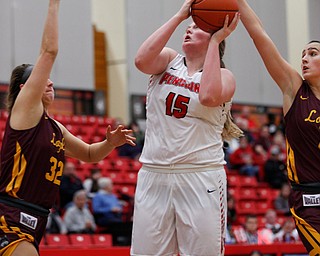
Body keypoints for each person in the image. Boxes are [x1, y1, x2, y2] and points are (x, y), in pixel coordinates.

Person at [0, 1, 136, 255]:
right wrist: (54, 5)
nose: (49, 81)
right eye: (40, 77)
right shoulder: (24, 111)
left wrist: (110, 143)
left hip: (35, 217)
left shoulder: (55, 128)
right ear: (24, 89)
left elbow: (89, 154)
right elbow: (49, 52)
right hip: (9, 214)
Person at [130, 0, 242, 255]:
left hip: (200, 176)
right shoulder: (168, 60)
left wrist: (215, 42)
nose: (189, 30)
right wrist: (180, 16)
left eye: (198, 26)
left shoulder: (225, 77)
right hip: (154, 173)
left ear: (215, 35)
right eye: (188, 26)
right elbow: (140, 60)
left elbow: (209, 97)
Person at [237, 0, 320, 253]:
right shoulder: (294, 88)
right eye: (303, 54)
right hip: (309, 199)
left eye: (313, 53)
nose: (304, 58)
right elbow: (260, 37)